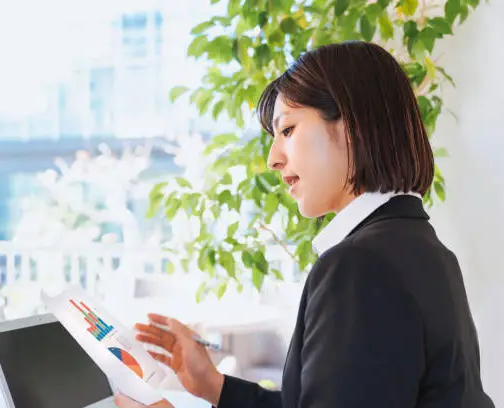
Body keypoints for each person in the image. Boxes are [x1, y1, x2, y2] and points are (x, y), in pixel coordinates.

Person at [114, 41, 495, 408]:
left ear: (353, 126)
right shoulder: (417, 245)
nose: (273, 159)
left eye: (288, 130)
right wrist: (214, 386)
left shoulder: (360, 266)